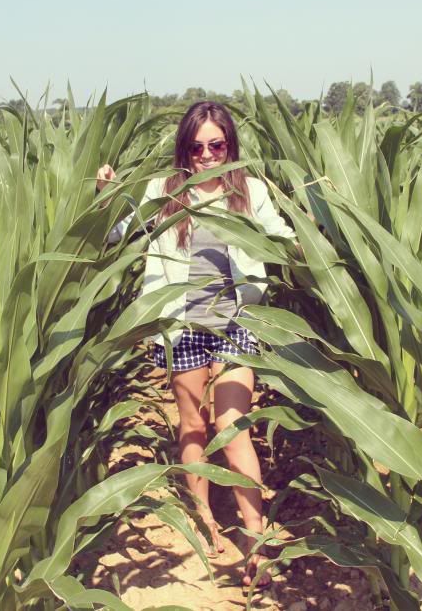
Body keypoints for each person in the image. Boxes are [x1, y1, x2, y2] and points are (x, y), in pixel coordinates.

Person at [96, 100, 296, 589]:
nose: (207, 155)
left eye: (217, 145)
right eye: (197, 146)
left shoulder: (249, 192)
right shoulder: (162, 192)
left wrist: (309, 233)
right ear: (185, 147)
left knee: (234, 427)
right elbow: (119, 233)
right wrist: (107, 196)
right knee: (193, 426)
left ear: (230, 145)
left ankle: (255, 535)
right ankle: (205, 521)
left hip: (237, 325)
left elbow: (282, 238)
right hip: (182, 325)